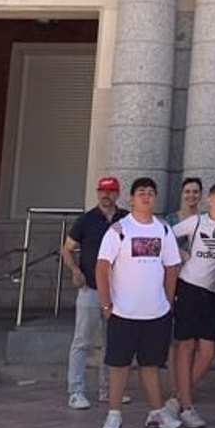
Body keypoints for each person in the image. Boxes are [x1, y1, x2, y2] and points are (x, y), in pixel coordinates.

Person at [96, 177, 182, 428]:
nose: (146, 197)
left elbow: (171, 267)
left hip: (155, 313)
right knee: (119, 365)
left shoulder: (164, 229)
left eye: (151, 193)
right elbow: (102, 268)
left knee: (151, 364)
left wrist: (167, 302)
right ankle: (113, 415)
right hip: (123, 312)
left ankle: (156, 413)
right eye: (141, 192)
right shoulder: (119, 230)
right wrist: (106, 305)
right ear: (131, 198)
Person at [169, 180, 215, 428]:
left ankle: (178, 397)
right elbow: (167, 234)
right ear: (209, 200)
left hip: (211, 293)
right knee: (186, 346)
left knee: (209, 351)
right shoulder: (196, 221)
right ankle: (187, 406)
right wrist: (179, 253)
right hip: (189, 287)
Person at [61, 176, 123, 411]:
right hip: (90, 289)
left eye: (110, 191)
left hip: (117, 291)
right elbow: (67, 249)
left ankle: (107, 389)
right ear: (97, 193)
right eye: (102, 191)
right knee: (82, 341)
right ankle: (75, 391)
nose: (106, 195)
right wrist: (75, 269)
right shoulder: (86, 220)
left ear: (118, 194)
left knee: (112, 342)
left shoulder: (125, 219)